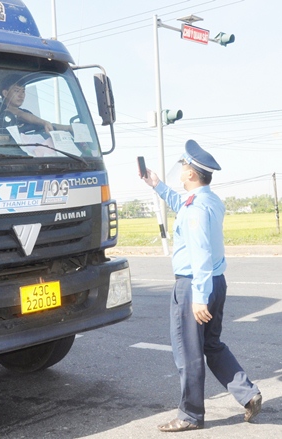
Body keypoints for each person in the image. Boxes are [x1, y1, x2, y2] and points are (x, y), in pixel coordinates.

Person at [141, 140, 262, 432]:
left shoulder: (195, 209)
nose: (180, 171)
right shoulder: (207, 199)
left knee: (188, 352)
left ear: (192, 174)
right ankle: (248, 394)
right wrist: (156, 185)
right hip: (216, 282)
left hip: (195, 285)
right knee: (212, 345)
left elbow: (201, 254)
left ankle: (190, 415)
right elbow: (180, 203)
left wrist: (198, 297)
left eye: (183, 167)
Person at [0, 74, 70, 134]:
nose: (21, 95)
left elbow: (48, 126)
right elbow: (19, 114)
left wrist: (69, 128)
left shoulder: (26, 113)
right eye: (17, 91)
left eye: (23, 91)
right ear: (5, 93)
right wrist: (44, 122)